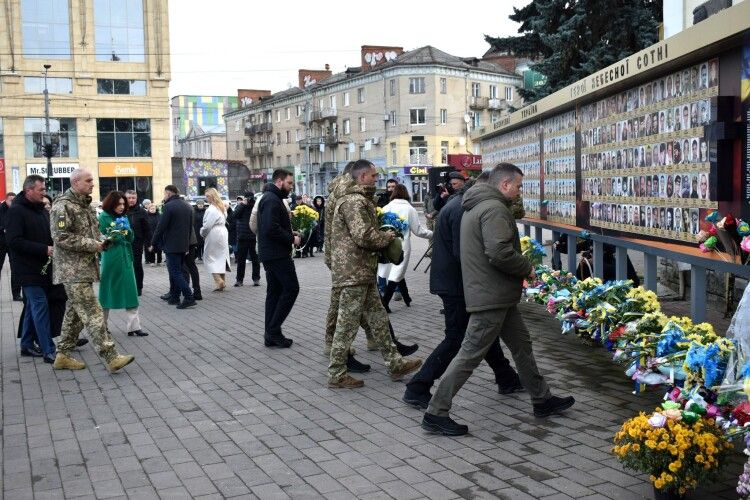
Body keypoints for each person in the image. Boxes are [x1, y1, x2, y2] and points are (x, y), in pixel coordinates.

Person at [422, 163, 574, 436]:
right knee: (469, 354)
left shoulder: (476, 204)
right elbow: (499, 252)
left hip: (497, 294)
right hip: (491, 295)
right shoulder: (493, 209)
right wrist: (527, 267)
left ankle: (542, 399)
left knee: (521, 345)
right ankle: (436, 411)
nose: (518, 192)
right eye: (517, 186)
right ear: (505, 185)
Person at [403, 175, 522, 409]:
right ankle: (418, 386)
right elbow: (466, 254)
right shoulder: (462, 208)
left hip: (456, 281)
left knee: (482, 333)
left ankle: (507, 377)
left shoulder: (459, 203)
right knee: (457, 338)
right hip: (457, 285)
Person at [327, 159, 423, 388]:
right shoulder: (353, 201)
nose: (376, 180)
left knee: (379, 319)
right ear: (361, 178)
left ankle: (395, 362)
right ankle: (336, 373)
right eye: (372, 176)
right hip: (353, 271)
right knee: (347, 324)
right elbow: (364, 236)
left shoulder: (356, 199)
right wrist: (388, 237)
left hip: (360, 270)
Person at [49, 168, 135, 373]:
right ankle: (111, 356)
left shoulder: (85, 204)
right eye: (88, 181)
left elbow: (94, 231)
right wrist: (93, 244)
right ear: (75, 182)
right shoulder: (63, 206)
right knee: (92, 312)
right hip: (73, 271)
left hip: (85, 268)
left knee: (74, 315)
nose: (92, 184)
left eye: (92, 181)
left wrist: (103, 241)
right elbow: (60, 237)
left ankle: (62, 355)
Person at [6, 176, 59, 362]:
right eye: (41, 190)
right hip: (27, 270)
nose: (45, 192)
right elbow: (14, 241)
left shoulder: (41, 210)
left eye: (45, 189)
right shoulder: (16, 211)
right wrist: (44, 249)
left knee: (31, 307)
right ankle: (48, 349)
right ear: (29, 191)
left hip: (43, 269)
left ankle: (27, 344)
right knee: (40, 305)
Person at [257, 169, 299, 348]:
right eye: (289, 183)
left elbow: (272, 226)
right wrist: (292, 238)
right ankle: (273, 330)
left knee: (274, 292)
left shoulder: (271, 198)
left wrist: (290, 232)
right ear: (280, 182)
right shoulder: (272, 199)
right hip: (276, 254)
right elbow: (270, 228)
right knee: (291, 289)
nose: (291, 187)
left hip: (271, 253)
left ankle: (270, 334)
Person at [98, 191, 147, 337]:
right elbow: (104, 237)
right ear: (111, 203)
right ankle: (102, 327)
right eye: (119, 204)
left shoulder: (123, 216)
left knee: (130, 290)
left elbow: (130, 237)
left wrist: (127, 230)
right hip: (111, 258)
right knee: (107, 291)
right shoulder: (103, 217)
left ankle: (134, 326)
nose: (122, 206)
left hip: (125, 257)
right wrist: (118, 233)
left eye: (123, 204)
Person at [379, 184, 432, 312]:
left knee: (397, 271)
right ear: (406, 194)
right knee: (397, 272)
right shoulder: (410, 209)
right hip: (402, 245)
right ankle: (385, 303)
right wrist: (434, 234)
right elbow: (418, 231)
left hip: (387, 243)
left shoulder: (386, 208)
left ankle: (406, 297)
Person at [150, 185, 196, 309]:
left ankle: (189, 297)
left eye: (164, 194)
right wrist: (186, 245)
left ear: (169, 194)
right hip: (183, 245)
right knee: (179, 270)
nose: (163, 197)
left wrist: (153, 243)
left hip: (172, 245)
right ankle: (175, 296)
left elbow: (161, 227)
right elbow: (189, 228)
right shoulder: (187, 206)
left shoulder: (169, 206)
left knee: (175, 272)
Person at [201, 188, 231, 291]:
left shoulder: (211, 209)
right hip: (223, 232)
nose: (206, 198)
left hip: (214, 232)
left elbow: (207, 225)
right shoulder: (222, 207)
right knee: (221, 257)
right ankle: (221, 281)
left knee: (210, 257)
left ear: (211, 196)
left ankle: (219, 281)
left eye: (207, 196)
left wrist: (202, 233)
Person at [124, 189, 150, 296]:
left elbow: (147, 229)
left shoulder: (142, 212)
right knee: (124, 266)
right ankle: (126, 287)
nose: (131, 200)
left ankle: (139, 287)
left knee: (136, 265)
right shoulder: (121, 210)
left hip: (137, 242)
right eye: (129, 198)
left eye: (133, 198)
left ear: (136, 198)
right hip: (123, 243)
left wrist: (149, 243)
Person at [233, 192, 260, 287]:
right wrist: (242, 205)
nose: (249, 200)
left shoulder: (256, 206)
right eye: (247, 198)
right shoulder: (241, 206)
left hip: (253, 235)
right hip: (242, 236)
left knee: (255, 259)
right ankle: (239, 280)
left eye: (250, 198)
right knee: (241, 259)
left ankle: (256, 279)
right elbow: (234, 215)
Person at [0, 191, 22, 301]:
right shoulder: (1, 208)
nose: (13, 202)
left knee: (15, 268)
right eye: (11, 200)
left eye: (14, 200)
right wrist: (3, 228)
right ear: (6, 199)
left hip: (12, 243)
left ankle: (16, 294)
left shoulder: (16, 210)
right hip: (1, 242)